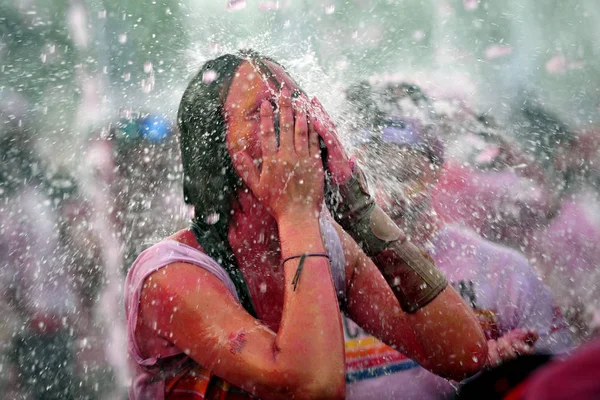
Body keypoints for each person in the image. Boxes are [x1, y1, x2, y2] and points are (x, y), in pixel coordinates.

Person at [124, 51, 488, 399]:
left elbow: (462, 354)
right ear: (215, 145)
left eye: (296, 100)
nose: (294, 117)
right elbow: (313, 389)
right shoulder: (170, 275)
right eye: (264, 110)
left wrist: (358, 208)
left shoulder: (331, 245)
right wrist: (295, 213)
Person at [343, 81, 572, 399]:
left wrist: (512, 374)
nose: (389, 196)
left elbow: (569, 381)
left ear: (438, 170)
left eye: (406, 175)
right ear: (349, 174)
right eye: (373, 176)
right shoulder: (328, 271)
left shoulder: (501, 270)